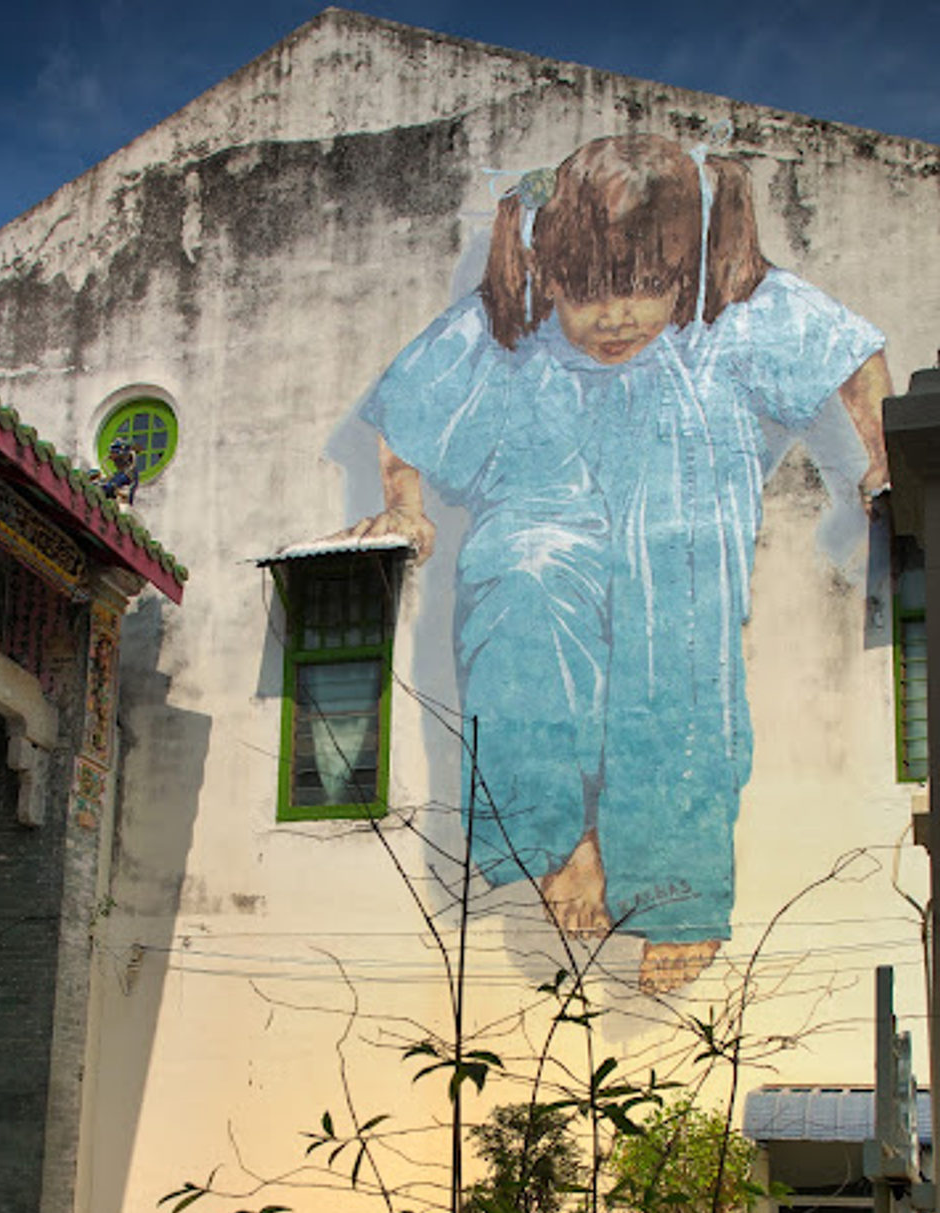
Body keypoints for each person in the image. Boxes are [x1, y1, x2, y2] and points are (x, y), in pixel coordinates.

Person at [360, 134, 891, 992]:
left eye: (646, 292)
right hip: (545, 515)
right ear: (552, 278)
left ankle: (671, 891)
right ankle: (560, 839)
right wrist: (406, 505)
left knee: (677, 652)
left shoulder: (728, 315)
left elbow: (850, 355)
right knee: (519, 592)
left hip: (678, 523)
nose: (617, 320)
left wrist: (879, 455)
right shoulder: (515, 325)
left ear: (682, 277)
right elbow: (410, 402)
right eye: (588, 298)